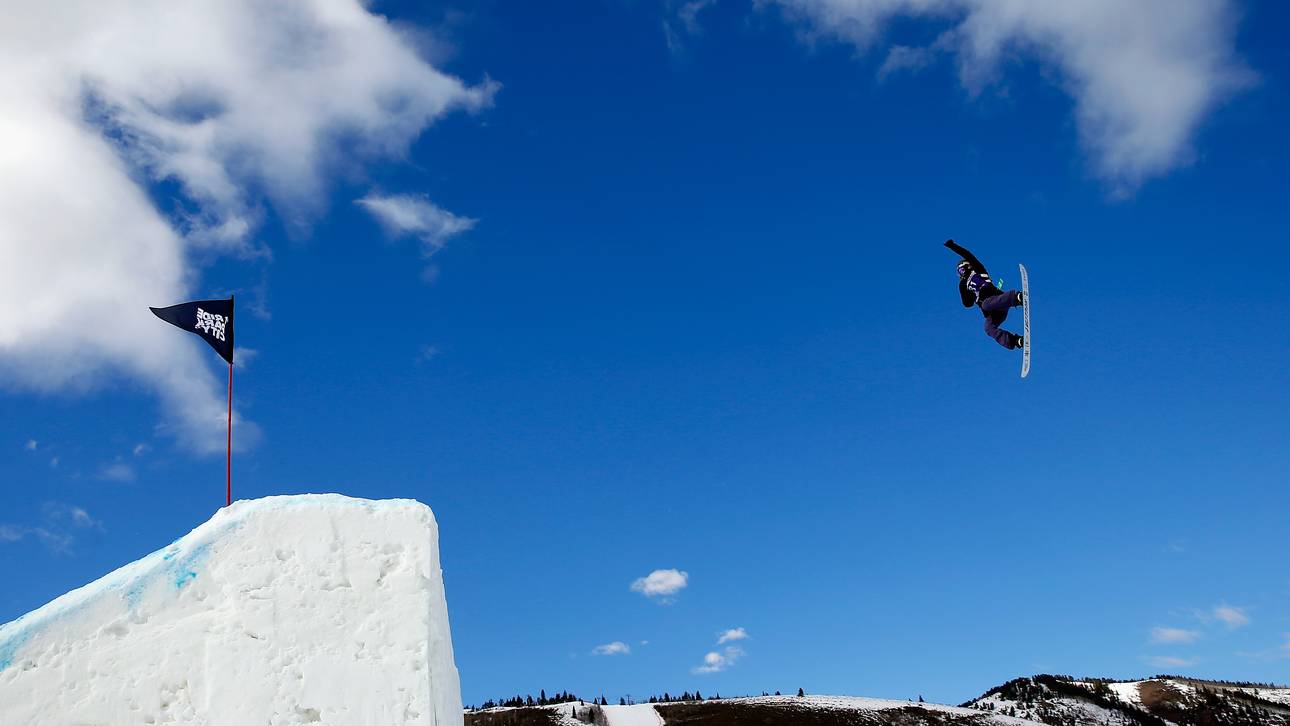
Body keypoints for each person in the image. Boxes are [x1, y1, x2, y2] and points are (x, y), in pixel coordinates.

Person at [944, 239, 1024, 350]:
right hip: (993, 312)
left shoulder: (978, 270)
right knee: (988, 328)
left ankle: (1016, 297)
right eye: (959, 273)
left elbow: (968, 255)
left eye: (961, 270)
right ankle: (1015, 341)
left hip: (997, 299)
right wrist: (962, 287)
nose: (961, 274)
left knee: (986, 304)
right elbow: (967, 304)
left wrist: (953, 246)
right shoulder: (966, 286)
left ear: (967, 266)